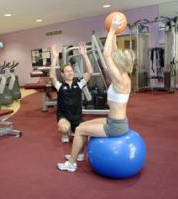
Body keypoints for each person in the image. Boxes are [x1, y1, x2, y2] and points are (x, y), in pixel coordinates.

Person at [57, 15, 135, 172]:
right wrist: (115, 35)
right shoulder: (123, 75)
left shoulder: (120, 79)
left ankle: (72, 163)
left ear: (120, 64)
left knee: (78, 130)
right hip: (114, 121)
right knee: (83, 125)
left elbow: (107, 55)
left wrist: (112, 30)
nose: (114, 59)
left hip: (115, 127)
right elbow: (112, 52)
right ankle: (78, 153)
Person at [50, 43, 94, 146]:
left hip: (77, 118)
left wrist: (84, 55)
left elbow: (90, 72)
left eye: (71, 71)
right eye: (67, 71)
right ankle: (66, 132)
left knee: (87, 134)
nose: (70, 73)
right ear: (62, 74)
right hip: (64, 117)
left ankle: (74, 130)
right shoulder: (60, 86)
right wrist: (55, 57)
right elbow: (52, 76)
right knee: (65, 127)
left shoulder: (79, 84)